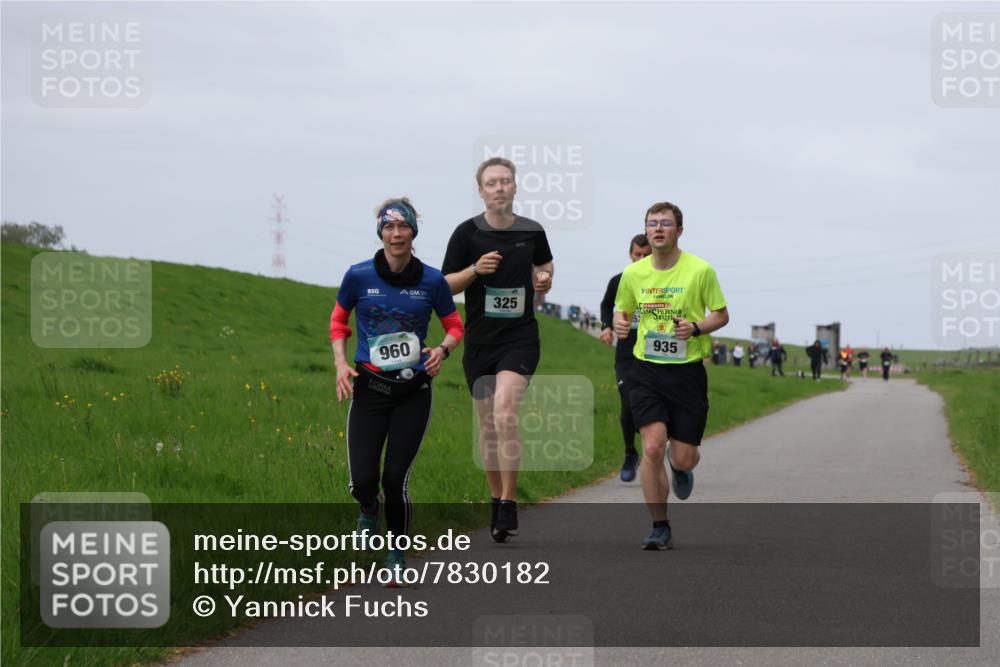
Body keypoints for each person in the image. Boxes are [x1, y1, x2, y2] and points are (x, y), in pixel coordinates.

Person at [330, 197, 465, 585]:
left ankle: (396, 553)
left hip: (413, 390)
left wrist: (442, 350)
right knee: (362, 481)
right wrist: (341, 363)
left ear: (413, 232)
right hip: (369, 389)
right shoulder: (358, 277)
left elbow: (455, 325)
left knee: (395, 478)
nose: (396, 234)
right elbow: (338, 322)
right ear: (381, 233)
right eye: (388, 228)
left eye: (402, 227)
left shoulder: (432, 281)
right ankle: (368, 509)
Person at [442, 157, 554, 542]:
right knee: (488, 427)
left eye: (506, 181)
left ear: (515, 187)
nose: (500, 187)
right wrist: (475, 270)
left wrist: (544, 279)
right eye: (492, 183)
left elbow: (546, 266)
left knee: (506, 414)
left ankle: (509, 502)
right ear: (481, 191)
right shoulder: (466, 234)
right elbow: (446, 285)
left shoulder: (532, 230)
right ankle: (495, 498)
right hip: (480, 343)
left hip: (520, 339)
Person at [614, 201, 729, 550]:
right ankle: (659, 526)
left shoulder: (700, 270)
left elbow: (721, 315)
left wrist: (695, 327)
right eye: (652, 224)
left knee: (683, 456)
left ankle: (680, 468)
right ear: (646, 232)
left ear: (679, 231)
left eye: (666, 223)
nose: (658, 229)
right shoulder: (633, 274)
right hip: (645, 370)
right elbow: (623, 309)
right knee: (651, 447)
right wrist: (620, 322)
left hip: (687, 373)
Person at [600, 234, 652, 482]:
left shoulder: (661, 281)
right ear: (630, 254)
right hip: (626, 352)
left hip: (654, 352)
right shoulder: (619, 281)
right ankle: (630, 453)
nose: (641, 259)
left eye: (646, 255)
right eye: (637, 255)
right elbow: (606, 305)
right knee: (628, 401)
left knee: (655, 405)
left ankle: (658, 451)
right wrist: (606, 327)